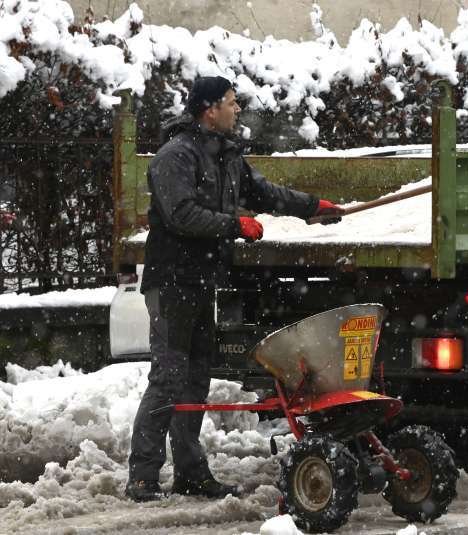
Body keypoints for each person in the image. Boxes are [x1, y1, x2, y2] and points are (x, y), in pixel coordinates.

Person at [126, 76, 344, 502]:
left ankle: (190, 472)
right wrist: (234, 225)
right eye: (231, 102)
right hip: (172, 282)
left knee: (195, 379)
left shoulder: (225, 155)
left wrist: (310, 207)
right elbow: (181, 214)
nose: (238, 108)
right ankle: (141, 475)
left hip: (203, 280)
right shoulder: (176, 156)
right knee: (168, 378)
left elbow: (262, 192)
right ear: (210, 109)